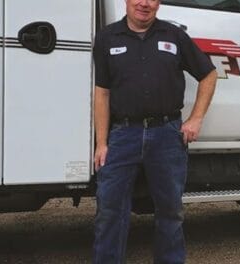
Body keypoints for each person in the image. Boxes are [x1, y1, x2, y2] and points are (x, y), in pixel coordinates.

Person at [92, 0, 217, 263]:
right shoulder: (106, 38)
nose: (144, 3)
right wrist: (101, 142)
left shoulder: (175, 36)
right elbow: (102, 93)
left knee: (171, 211)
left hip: (167, 135)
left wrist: (196, 118)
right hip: (122, 136)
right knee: (110, 210)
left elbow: (209, 74)